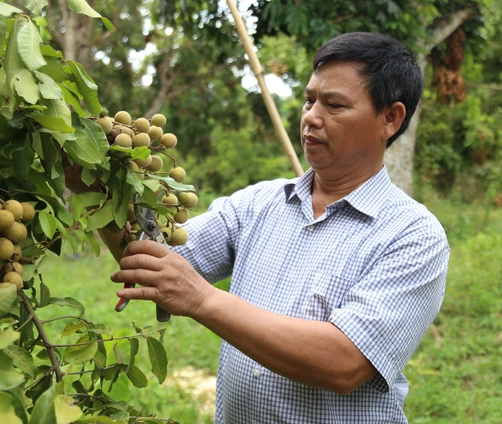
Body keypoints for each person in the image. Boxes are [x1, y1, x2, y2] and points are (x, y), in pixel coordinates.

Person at [104, 32, 450, 423]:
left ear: (391, 118)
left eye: (333, 105)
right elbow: (158, 259)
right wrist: (97, 186)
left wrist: (203, 299)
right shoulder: (258, 204)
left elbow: (345, 362)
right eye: (309, 100)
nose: (310, 117)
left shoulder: (413, 235)